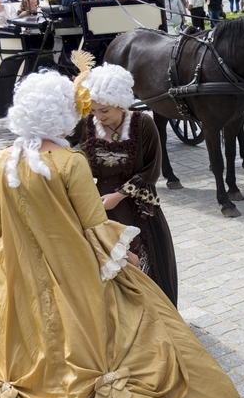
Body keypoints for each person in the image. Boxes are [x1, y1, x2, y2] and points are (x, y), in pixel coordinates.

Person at [0, 70, 239, 398]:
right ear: (62, 115)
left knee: (33, 347)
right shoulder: (70, 163)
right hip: (77, 278)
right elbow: (95, 226)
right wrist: (126, 258)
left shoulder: (1, 163)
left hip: (20, 282)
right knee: (134, 331)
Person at [68, 61, 179, 305]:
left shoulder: (143, 124)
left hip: (136, 203)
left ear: (119, 103)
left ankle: (155, 312)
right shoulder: (89, 125)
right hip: (99, 206)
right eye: (94, 111)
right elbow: (75, 160)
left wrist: (119, 195)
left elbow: (151, 170)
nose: (99, 116)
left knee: (144, 257)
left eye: (105, 110)